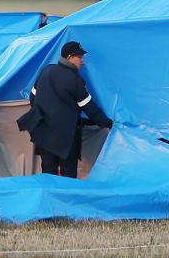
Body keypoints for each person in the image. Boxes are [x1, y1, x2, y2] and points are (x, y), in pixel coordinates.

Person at [23, 41, 112, 178]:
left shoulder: (46, 71)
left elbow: (33, 97)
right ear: (69, 57)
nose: (82, 60)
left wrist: (46, 116)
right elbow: (90, 108)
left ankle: (48, 198)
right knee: (68, 176)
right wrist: (108, 123)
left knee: (47, 174)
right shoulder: (75, 80)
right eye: (79, 57)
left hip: (44, 133)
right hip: (66, 137)